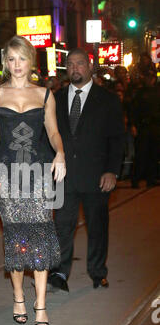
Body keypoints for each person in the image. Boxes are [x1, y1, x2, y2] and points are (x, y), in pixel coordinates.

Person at [0, 35, 66, 325]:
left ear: (31, 61)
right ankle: (19, 295)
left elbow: (54, 132)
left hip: (40, 174)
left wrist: (60, 153)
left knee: (41, 237)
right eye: (11, 59)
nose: (16, 65)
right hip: (8, 176)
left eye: (21, 59)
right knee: (17, 239)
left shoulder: (45, 95)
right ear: (5, 62)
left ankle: (40, 303)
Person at [48, 48, 125, 292]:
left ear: (90, 66)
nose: (74, 68)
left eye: (80, 64)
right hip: (64, 177)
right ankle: (59, 272)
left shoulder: (108, 99)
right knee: (62, 225)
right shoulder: (55, 98)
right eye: (70, 64)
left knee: (97, 227)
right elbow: (48, 135)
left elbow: (117, 139)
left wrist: (112, 170)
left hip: (97, 176)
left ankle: (97, 272)